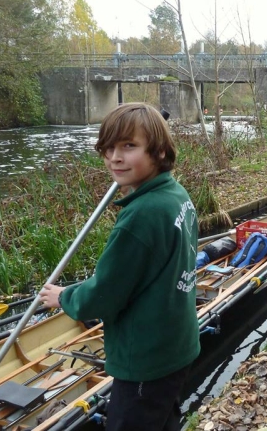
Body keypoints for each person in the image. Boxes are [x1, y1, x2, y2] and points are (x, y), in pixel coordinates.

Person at [39, 103, 200, 431]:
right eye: (109, 148)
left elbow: (105, 296)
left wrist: (65, 297)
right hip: (178, 344)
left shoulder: (140, 217)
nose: (115, 157)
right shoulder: (176, 194)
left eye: (129, 146)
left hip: (146, 361)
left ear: (158, 151)